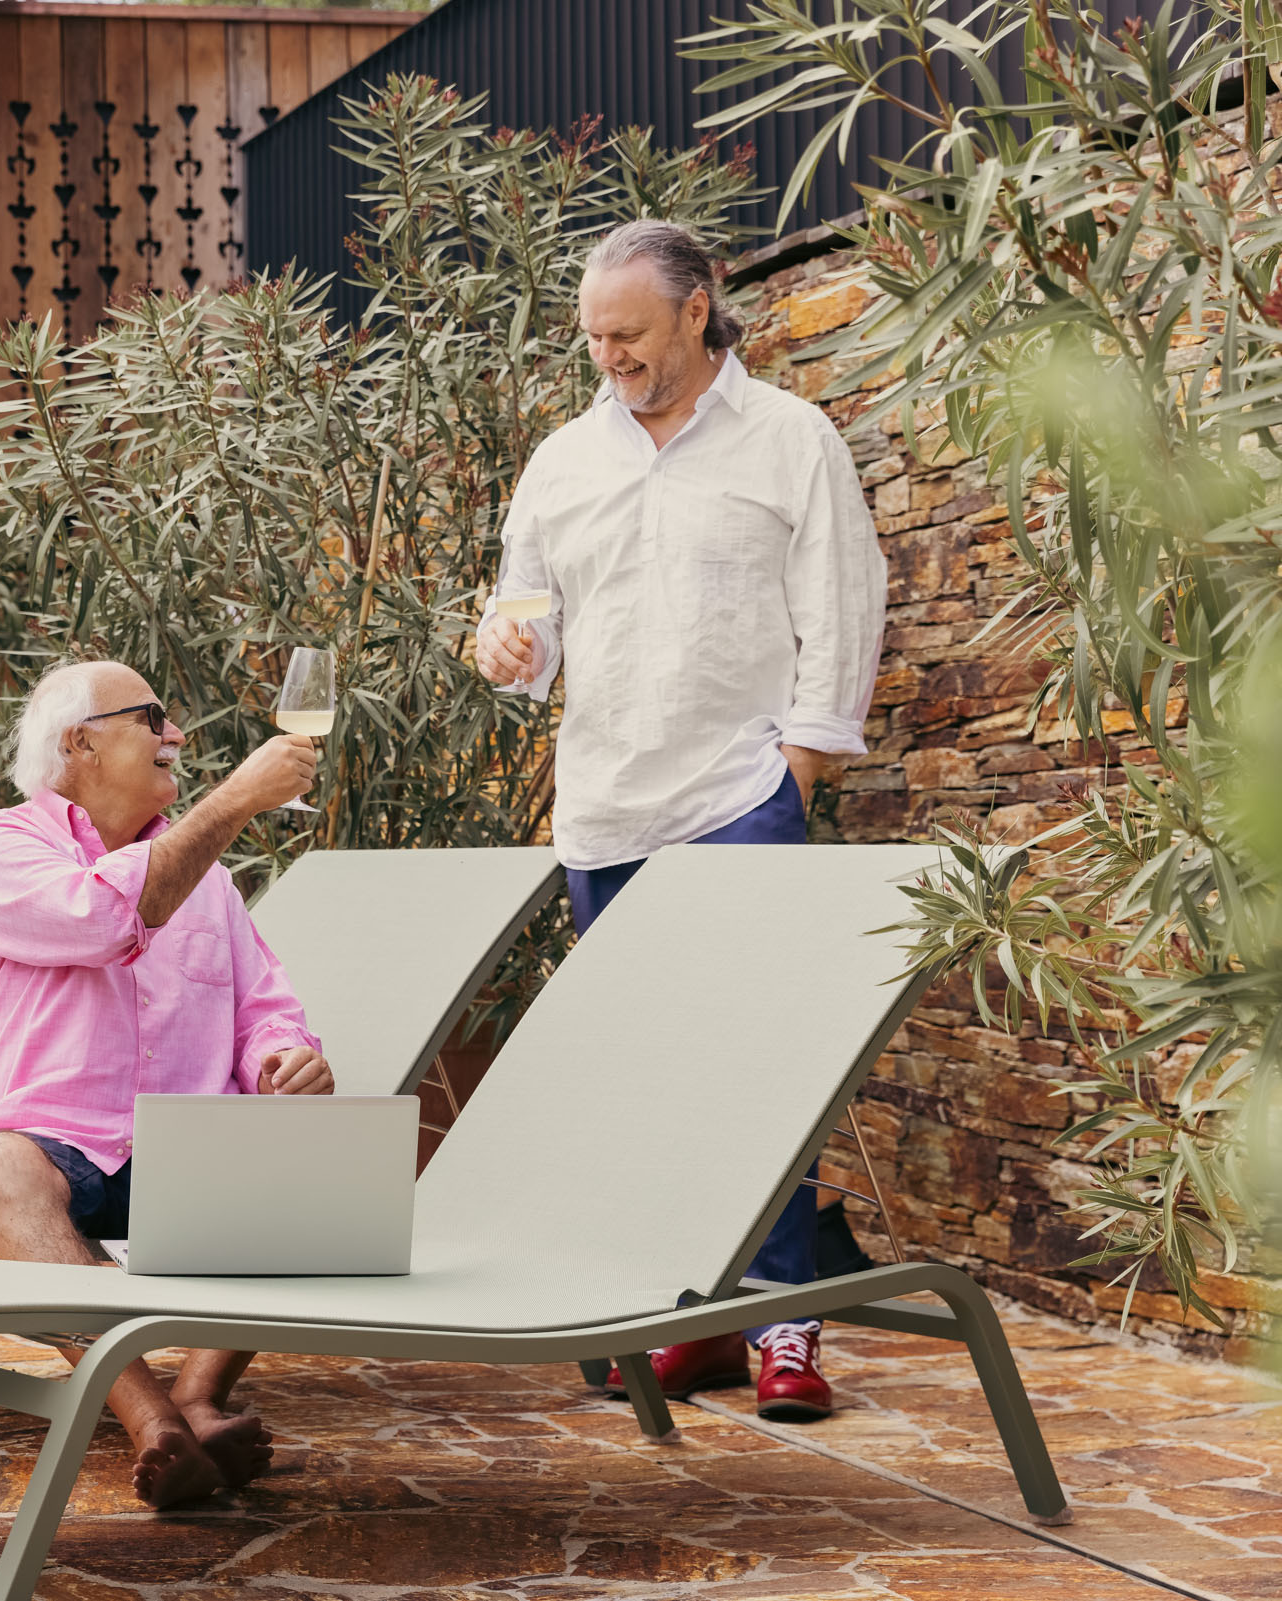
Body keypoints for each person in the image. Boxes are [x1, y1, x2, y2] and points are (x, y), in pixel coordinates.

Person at [473, 219, 885, 1423]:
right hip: (603, 810)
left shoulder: (790, 440)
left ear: (700, 309)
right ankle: (690, 1320)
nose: (610, 356)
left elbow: (843, 612)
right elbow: (530, 618)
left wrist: (795, 775)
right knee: (648, 1076)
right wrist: (508, 642)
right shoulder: (562, 461)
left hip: (737, 797)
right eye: (595, 337)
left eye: (631, 334)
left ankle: (787, 1327)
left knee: (760, 1067)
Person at [0, 659, 334, 1507]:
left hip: (186, 1151)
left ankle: (198, 1398)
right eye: (153, 716)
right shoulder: (1, 847)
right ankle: (151, 1417)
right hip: (57, 1149)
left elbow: (266, 1009)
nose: (177, 736)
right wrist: (234, 798)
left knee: (310, 1155)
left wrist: (285, 1058)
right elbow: (105, 916)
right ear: (78, 741)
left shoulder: (212, 885)